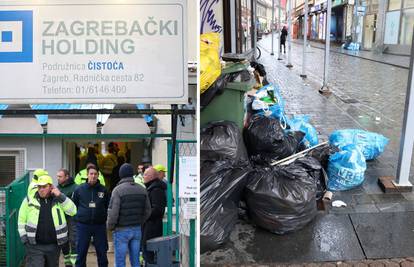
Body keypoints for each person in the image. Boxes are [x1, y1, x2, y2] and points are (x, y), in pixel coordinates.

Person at [18, 175, 77, 267]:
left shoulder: (59, 199)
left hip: (54, 246)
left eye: (44, 187)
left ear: (51, 187)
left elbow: (73, 211)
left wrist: (60, 195)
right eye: (39, 187)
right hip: (34, 246)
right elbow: (21, 220)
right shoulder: (29, 200)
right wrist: (24, 239)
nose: (41, 189)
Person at [107, 163, 151, 267]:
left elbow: (113, 213)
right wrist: (140, 221)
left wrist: (110, 226)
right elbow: (148, 211)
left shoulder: (117, 190)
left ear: (120, 175)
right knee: (135, 260)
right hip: (137, 229)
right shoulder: (142, 189)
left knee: (120, 261)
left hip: (121, 230)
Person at [73, 164, 110, 267]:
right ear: (87, 175)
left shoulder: (104, 190)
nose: (93, 176)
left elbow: (108, 205)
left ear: (98, 175)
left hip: (99, 226)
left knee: (102, 253)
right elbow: (74, 205)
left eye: (95, 174)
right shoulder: (79, 189)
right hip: (83, 226)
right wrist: (79, 218)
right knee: (81, 253)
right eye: (91, 174)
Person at [142, 167, 167, 265]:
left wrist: (143, 214)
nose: (143, 176)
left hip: (152, 228)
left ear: (151, 176)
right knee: (146, 253)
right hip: (149, 226)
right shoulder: (151, 188)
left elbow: (157, 210)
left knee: (149, 254)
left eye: (145, 174)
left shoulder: (156, 190)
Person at [57, 168, 78, 267]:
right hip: (61, 218)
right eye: (57, 176)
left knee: (73, 239)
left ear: (67, 176)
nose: (58, 178)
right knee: (63, 239)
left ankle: (74, 262)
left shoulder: (75, 188)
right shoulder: (57, 188)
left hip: (72, 217)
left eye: (60, 176)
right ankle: (67, 261)